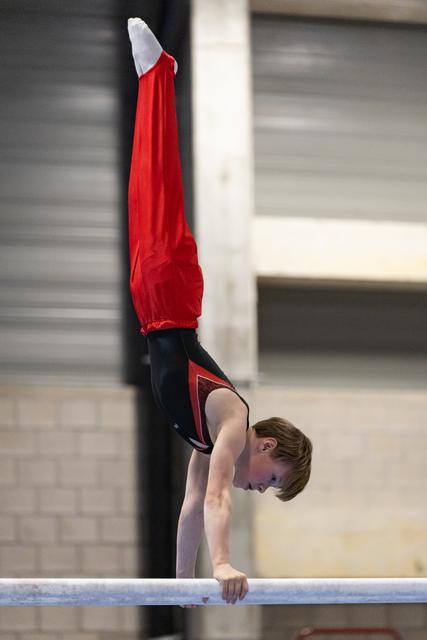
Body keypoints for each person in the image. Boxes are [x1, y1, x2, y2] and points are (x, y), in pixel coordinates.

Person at [127, 18, 313, 606]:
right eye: (273, 481)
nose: (262, 488)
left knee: (141, 188)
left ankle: (152, 79)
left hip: (150, 305)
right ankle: (158, 73)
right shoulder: (231, 418)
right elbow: (217, 500)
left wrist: (180, 588)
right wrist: (225, 562)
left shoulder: (209, 444)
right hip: (173, 296)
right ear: (268, 450)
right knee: (157, 181)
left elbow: (189, 506)